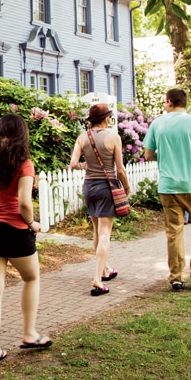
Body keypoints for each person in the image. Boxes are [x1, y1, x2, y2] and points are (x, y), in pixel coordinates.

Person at [0, 114, 51, 367]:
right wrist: (32, 223)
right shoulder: (24, 164)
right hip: (14, 229)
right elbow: (24, 203)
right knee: (31, 278)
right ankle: (29, 333)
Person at [142, 89, 191, 291]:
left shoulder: (157, 124)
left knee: (174, 230)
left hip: (168, 186)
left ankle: (176, 277)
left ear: (169, 102)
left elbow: (148, 155)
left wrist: (165, 156)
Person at [69, 103, 131, 296]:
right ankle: (97, 279)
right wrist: (126, 187)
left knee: (96, 231)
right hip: (106, 187)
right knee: (105, 233)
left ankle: (105, 269)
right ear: (106, 118)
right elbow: (120, 170)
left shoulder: (83, 137)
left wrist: (84, 166)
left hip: (89, 187)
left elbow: (73, 164)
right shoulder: (113, 137)